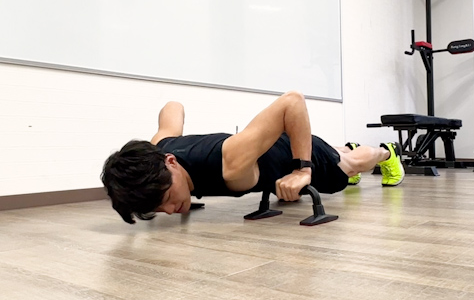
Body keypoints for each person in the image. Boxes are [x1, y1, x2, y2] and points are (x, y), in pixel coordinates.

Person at [101, 91, 405, 224]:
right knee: (341, 154)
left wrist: (302, 170)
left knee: (349, 165)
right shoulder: (159, 149)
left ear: (171, 163)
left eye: (168, 198)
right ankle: (346, 149)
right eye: (159, 208)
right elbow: (172, 107)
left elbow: (293, 101)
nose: (169, 211)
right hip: (268, 152)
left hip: (291, 151)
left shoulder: (229, 164)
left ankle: (386, 152)